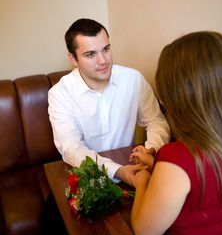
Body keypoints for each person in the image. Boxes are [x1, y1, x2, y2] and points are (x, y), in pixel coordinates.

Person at [125, 31, 222, 235]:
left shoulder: (178, 157)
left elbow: (145, 232)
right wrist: (157, 165)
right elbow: (205, 179)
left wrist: (143, 181)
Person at [48, 18, 170, 185]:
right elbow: (71, 148)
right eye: (90, 54)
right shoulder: (59, 94)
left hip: (135, 169)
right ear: (73, 59)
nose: (103, 60)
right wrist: (117, 171)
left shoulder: (133, 79)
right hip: (88, 178)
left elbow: (156, 121)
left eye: (106, 49)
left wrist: (151, 149)